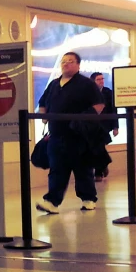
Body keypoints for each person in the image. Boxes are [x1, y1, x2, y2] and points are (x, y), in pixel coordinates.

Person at [36, 52, 105, 213]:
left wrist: (83, 121)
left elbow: (99, 106)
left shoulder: (86, 84)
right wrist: (44, 117)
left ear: (78, 65)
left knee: (82, 169)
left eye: (70, 61)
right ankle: (52, 201)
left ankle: (88, 198)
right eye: (64, 61)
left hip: (78, 136)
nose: (66, 64)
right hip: (56, 136)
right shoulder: (53, 84)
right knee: (56, 169)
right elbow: (43, 103)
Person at [90, 72, 119, 181]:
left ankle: (98, 173)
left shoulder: (108, 93)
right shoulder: (88, 93)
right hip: (91, 125)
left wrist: (116, 127)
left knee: (99, 146)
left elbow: (114, 110)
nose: (101, 81)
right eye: (98, 79)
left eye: (102, 79)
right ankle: (104, 163)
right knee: (95, 147)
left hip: (104, 125)